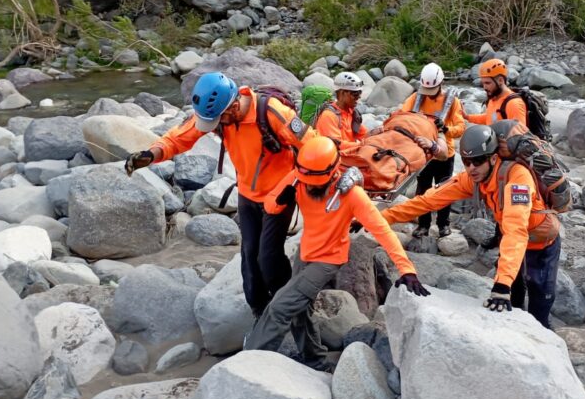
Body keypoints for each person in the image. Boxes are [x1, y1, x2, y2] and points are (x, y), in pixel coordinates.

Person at [125, 72, 316, 317]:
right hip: (247, 194)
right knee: (249, 256)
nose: (214, 126)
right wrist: (152, 154)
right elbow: (182, 136)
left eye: (218, 119)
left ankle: (289, 310)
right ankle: (259, 310)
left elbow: (313, 145)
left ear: (234, 106)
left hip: (278, 196)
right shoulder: (220, 116)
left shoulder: (271, 112)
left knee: (268, 258)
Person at [244, 136, 429, 370]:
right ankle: (315, 359)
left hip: (328, 260)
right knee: (300, 310)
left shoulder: (351, 195)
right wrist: (281, 201)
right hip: (306, 252)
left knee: (281, 306)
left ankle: (248, 361)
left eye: (316, 183)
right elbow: (270, 204)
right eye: (307, 181)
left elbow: (382, 230)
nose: (310, 186)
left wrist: (406, 269)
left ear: (332, 172)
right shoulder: (298, 178)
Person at [380, 125, 562, 329]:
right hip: (512, 239)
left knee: (540, 298)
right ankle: (515, 326)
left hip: (540, 243)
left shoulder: (518, 177)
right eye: (466, 162)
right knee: (515, 292)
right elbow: (427, 202)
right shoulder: (473, 179)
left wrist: (501, 285)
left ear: (493, 158)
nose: (471, 168)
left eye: (478, 161)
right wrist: (379, 218)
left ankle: (542, 334)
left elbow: (516, 229)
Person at [400, 62, 466, 238]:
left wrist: (445, 128)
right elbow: (402, 115)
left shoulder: (452, 102)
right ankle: (423, 225)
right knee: (422, 189)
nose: (428, 95)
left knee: (445, 189)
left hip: (445, 154)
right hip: (424, 153)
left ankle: (443, 224)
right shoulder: (415, 98)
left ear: (441, 84)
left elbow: (460, 128)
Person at [465, 58, 527, 127]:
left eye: (487, 83)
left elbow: (520, 135)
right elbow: (489, 118)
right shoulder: (493, 98)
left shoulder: (514, 104)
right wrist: (467, 117)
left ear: (500, 80)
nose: (484, 87)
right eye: (483, 83)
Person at [314, 72, 368, 150]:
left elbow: (364, 135)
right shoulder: (329, 116)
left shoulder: (352, 112)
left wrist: (378, 133)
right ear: (342, 93)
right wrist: (362, 145)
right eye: (355, 94)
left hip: (349, 154)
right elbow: (336, 145)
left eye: (360, 93)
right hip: (336, 158)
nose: (359, 97)